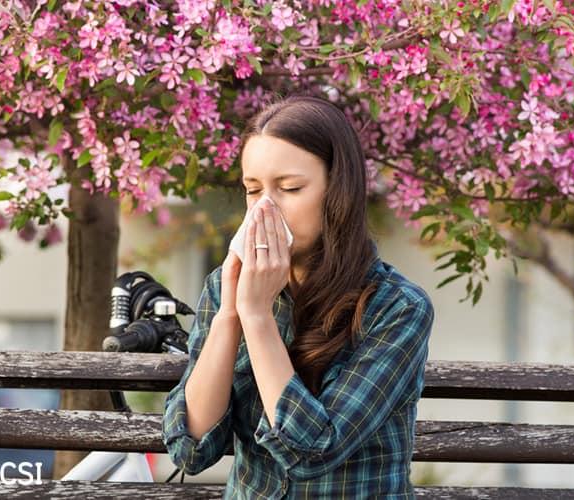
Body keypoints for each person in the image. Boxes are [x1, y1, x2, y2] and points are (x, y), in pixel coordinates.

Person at [162, 94, 434, 499]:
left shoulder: (397, 308)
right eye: (253, 190)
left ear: (337, 191)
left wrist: (257, 318)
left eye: (289, 188)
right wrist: (231, 316)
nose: (265, 210)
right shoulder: (225, 287)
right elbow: (189, 449)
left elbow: (313, 452)